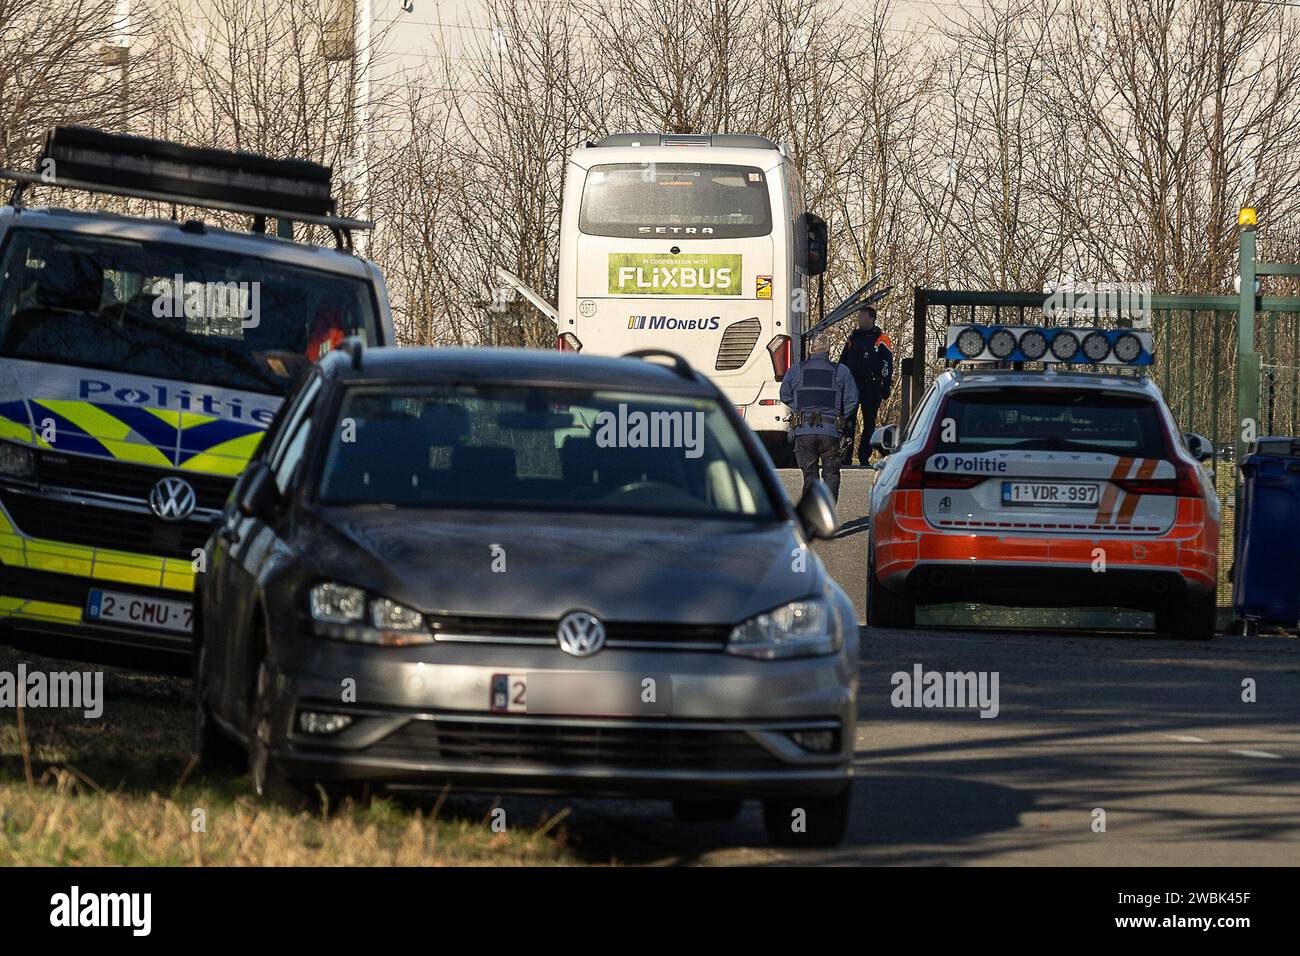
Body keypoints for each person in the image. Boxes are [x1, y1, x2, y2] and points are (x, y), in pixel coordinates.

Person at [780, 332, 859, 502]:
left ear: (810, 349)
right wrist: (840, 414)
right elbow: (853, 398)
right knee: (831, 475)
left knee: (810, 476)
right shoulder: (841, 371)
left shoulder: (796, 370)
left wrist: (801, 408)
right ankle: (827, 516)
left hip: (804, 432)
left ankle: (811, 518)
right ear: (829, 350)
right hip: (831, 432)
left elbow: (784, 394)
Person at [838, 305, 894, 467]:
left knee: (869, 423)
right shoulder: (853, 338)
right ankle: (846, 457)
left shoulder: (881, 338)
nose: (859, 321)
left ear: (871, 319)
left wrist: (885, 385)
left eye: (862, 318)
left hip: (872, 385)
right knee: (848, 422)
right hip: (853, 385)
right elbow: (843, 361)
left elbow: (887, 364)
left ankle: (864, 457)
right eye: (858, 318)